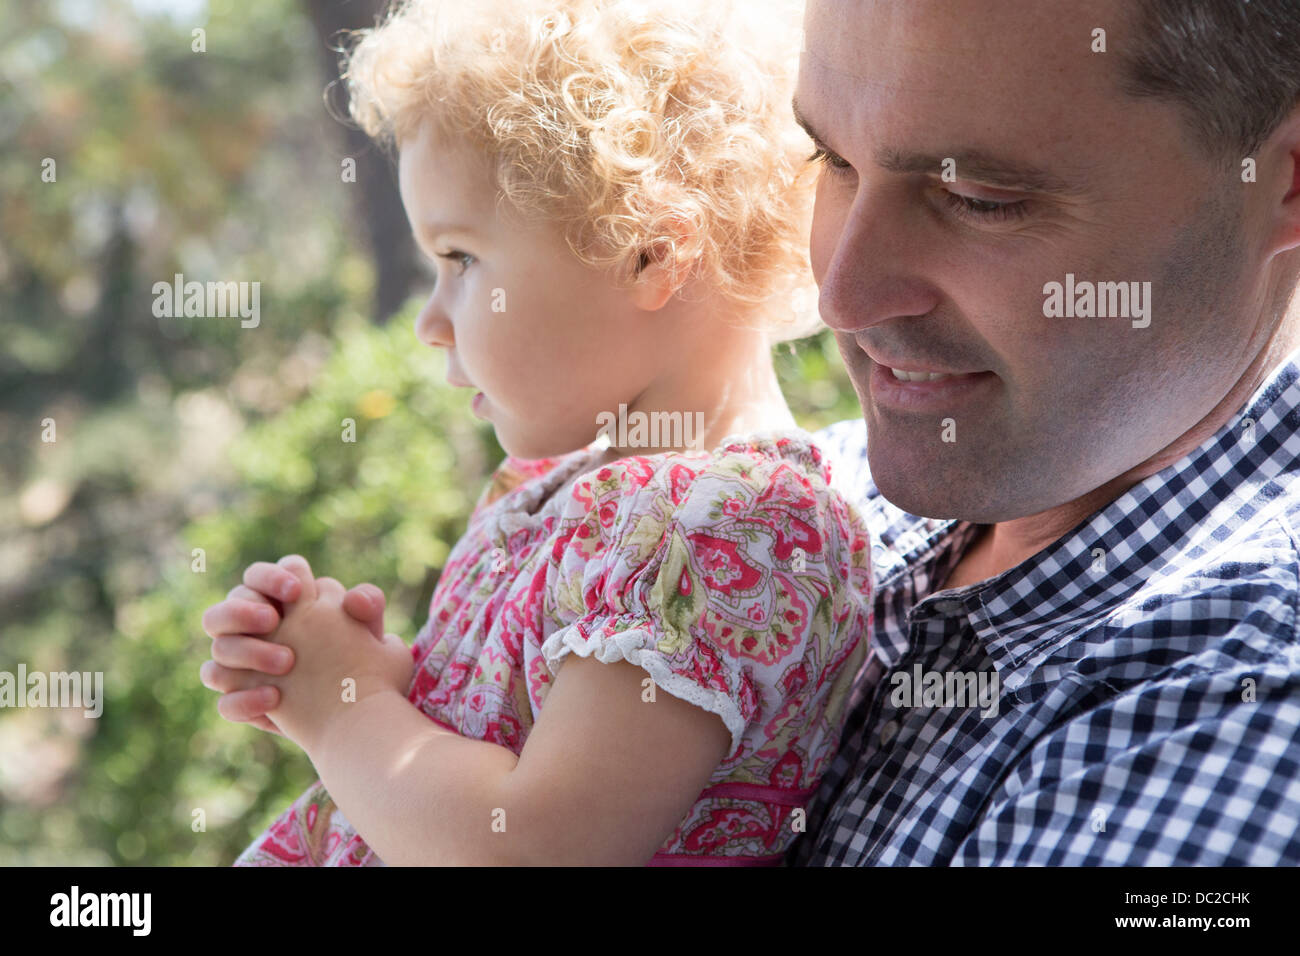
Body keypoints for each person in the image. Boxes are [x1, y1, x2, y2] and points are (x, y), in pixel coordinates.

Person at [200, 0, 873, 866]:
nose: (429, 322)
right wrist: (362, 672)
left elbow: (529, 847)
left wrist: (345, 714)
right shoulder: (556, 493)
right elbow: (490, 741)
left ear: (649, 253)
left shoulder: (734, 527)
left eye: (461, 260)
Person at [780, 0, 1300, 864]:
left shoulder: (1247, 697)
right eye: (830, 159)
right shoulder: (815, 498)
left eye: (977, 199)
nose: (842, 294)